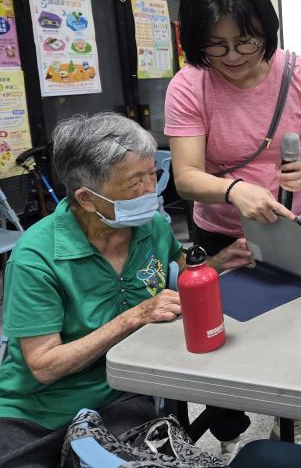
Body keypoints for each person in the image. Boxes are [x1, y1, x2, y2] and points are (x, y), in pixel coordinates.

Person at [0, 113, 253, 468]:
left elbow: (181, 278)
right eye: (137, 181)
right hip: (37, 407)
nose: (152, 189)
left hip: (120, 391)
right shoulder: (36, 258)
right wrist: (136, 315)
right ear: (88, 199)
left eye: (153, 173)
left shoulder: (150, 227)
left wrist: (220, 262)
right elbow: (44, 367)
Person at [164, 0, 301, 451]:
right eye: (216, 45)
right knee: (221, 332)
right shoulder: (190, 84)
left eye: (246, 42)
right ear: (196, 39)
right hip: (222, 230)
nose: (232, 56)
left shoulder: (299, 72)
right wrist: (236, 190)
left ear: (265, 29)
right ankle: (229, 433)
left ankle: (296, 416)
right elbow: (187, 177)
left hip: (289, 224)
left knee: (297, 323)